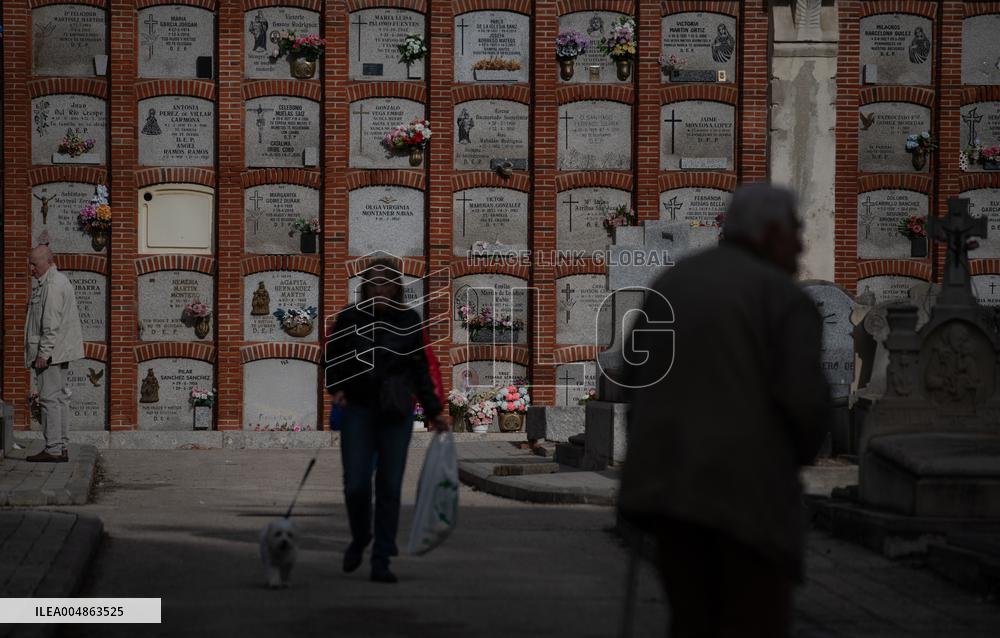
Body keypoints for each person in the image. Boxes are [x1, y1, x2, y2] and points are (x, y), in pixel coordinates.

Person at [618, 184, 832, 638]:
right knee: (751, 622)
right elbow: (806, 406)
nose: (799, 245)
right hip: (746, 502)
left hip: (670, 496)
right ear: (769, 232)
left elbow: (634, 380)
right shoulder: (781, 298)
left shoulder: (672, 283)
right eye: (795, 231)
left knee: (692, 620)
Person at [325, 258, 447, 583]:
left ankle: (381, 558)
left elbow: (420, 369)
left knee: (390, 488)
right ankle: (361, 536)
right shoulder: (350, 318)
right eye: (373, 283)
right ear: (365, 287)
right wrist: (336, 388)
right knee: (356, 484)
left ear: (396, 288)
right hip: (359, 410)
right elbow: (332, 357)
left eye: (386, 283)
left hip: (396, 412)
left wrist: (434, 411)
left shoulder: (409, 320)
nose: (380, 289)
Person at [24, 245, 85, 463]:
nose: (31, 268)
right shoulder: (58, 281)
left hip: (51, 354)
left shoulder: (51, 285)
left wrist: (43, 353)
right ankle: (61, 446)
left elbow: (50, 324)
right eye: (30, 263)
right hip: (59, 352)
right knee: (59, 400)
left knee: (49, 399)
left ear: (48, 261)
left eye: (35, 264)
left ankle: (53, 448)